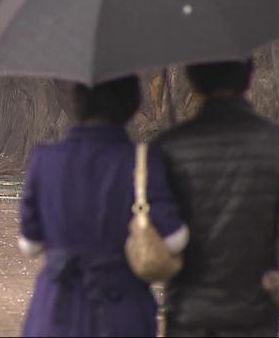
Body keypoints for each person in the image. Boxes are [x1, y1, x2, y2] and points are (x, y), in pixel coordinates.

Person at [153, 60, 279, 337]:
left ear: (192, 82)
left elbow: (155, 226)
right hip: (254, 311)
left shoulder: (168, 147)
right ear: (249, 80)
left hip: (188, 311)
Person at [19, 76, 188, 337]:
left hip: (56, 308)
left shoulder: (45, 159)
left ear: (77, 102)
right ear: (131, 103)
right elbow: (175, 240)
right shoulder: (143, 162)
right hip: (123, 309)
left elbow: (30, 245)